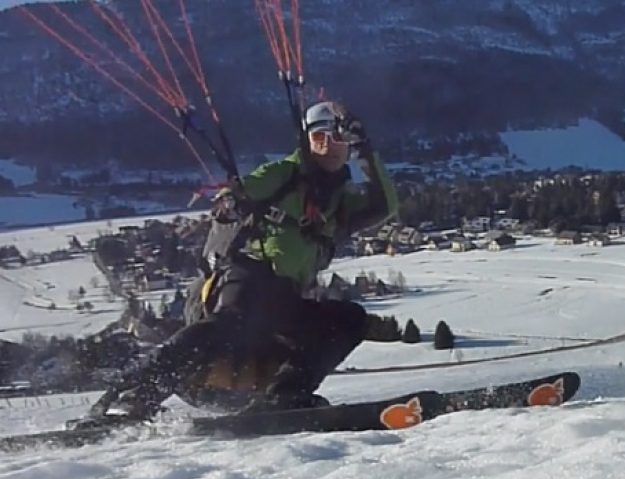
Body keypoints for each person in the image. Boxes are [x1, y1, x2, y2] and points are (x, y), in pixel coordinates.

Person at [87, 100, 399, 419]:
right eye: (321, 138)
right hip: (245, 276)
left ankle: (284, 397)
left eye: (341, 140)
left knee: (349, 319)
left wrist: (366, 149)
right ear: (306, 141)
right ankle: (134, 395)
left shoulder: (341, 201)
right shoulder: (284, 175)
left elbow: (385, 205)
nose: (331, 148)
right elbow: (236, 194)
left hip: (286, 298)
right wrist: (231, 204)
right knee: (231, 321)